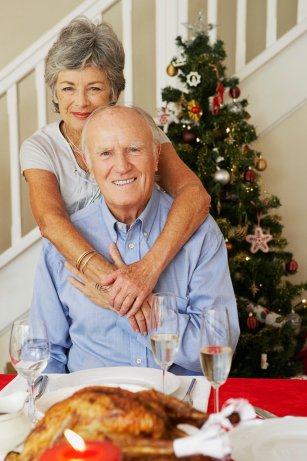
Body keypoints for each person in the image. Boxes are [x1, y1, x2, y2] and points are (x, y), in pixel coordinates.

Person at [20, 17, 211, 331]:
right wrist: (112, 288)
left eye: (94, 88)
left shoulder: (139, 128)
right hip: (84, 287)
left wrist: (145, 272)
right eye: (68, 88)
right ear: (55, 92)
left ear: (113, 92)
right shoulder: (41, 147)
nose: (80, 102)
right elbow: (49, 221)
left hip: (148, 277)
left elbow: (196, 196)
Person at [30, 105, 239, 375]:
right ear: (90, 165)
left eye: (134, 150)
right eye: (106, 153)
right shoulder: (63, 244)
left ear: (155, 157)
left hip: (176, 408)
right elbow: (45, 356)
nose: (122, 166)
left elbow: (217, 346)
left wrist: (133, 304)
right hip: (90, 408)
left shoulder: (200, 234)